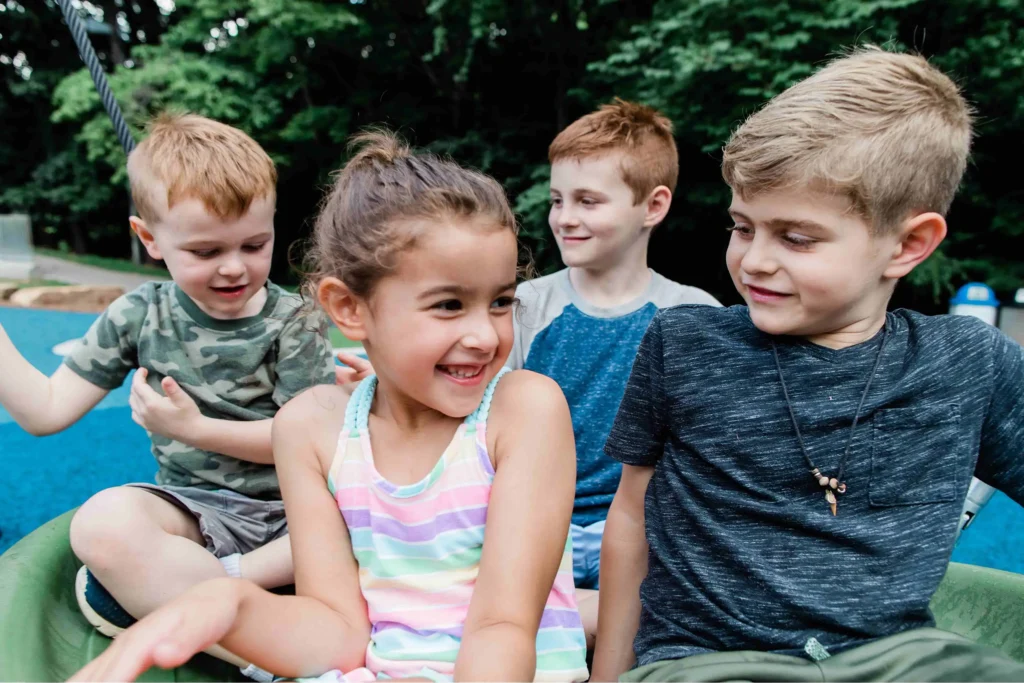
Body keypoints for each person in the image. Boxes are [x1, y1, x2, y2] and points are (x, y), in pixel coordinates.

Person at [71, 130, 590, 683]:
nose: (485, 336)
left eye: (501, 302)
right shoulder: (313, 430)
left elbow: (503, 627)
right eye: (448, 305)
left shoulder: (522, 411)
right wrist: (228, 606)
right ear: (348, 308)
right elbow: (337, 632)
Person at [593, 47, 1024, 682]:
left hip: (898, 661)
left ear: (908, 244)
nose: (756, 261)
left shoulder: (968, 362)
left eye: (795, 238)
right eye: (743, 228)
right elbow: (631, 513)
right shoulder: (685, 343)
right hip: (712, 663)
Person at [0, 113, 335, 680]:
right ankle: (274, 658)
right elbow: (46, 411)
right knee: (101, 524)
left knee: (380, 504)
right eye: (205, 252)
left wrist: (197, 429)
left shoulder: (293, 319)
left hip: (297, 513)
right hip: (198, 513)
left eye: (255, 244)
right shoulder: (140, 315)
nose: (235, 267)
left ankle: (213, 588)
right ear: (150, 239)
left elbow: (313, 444)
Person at [508, 100, 720, 642]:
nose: (564, 217)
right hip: (534, 522)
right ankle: (583, 618)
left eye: (588, 201)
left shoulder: (692, 314)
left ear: (652, 206)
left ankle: (580, 619)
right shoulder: (524, 305)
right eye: (558, 200)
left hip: (638, 532)